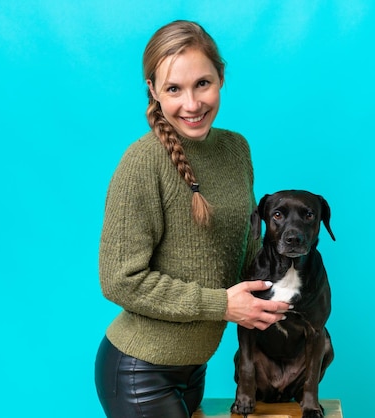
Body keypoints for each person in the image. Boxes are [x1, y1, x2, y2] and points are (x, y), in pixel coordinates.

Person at [94, 20, 290, 418]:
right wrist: (221, 305)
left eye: (203, 83)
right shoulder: (142, 163)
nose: (192, 104)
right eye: (173, 89)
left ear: (221, 77)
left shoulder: (236, 148)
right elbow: (119, 279)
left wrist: (285, 289)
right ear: (153, 90)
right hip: (139, 371)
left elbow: (247, 244)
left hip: (194, 367)